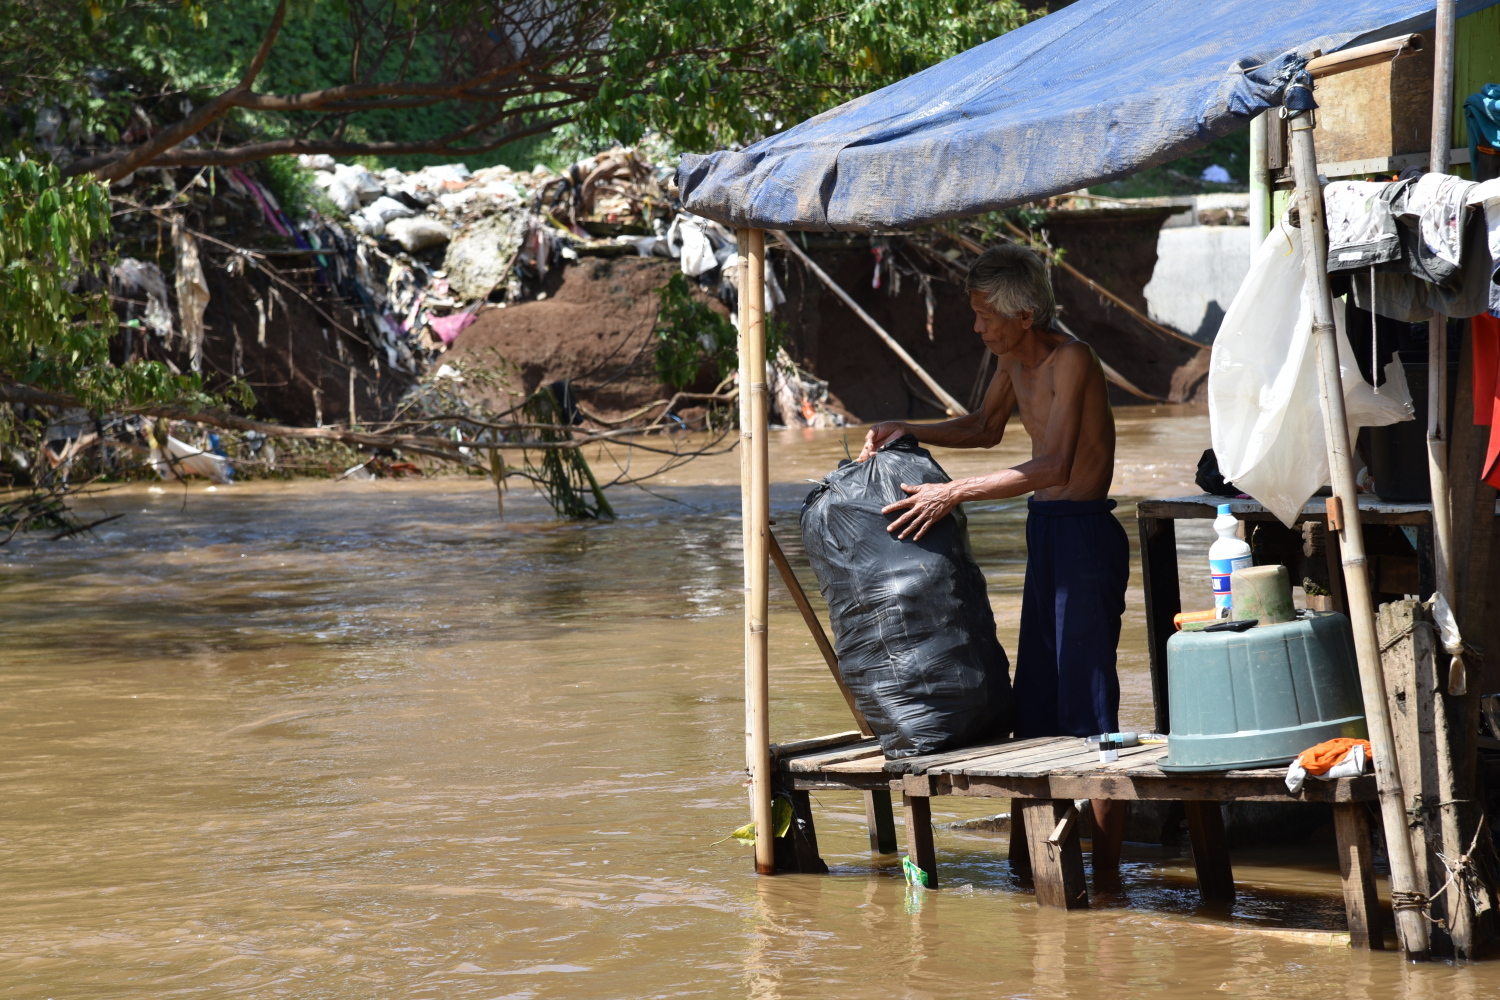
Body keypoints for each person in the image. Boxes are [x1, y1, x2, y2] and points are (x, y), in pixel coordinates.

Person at [856, 242, 1128, 880]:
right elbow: (983, 427)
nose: (977, 327)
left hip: (1085, 536)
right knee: (1033, 702)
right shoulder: (1010, 359)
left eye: (985, 315)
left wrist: (952, 492)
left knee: (1089, 713)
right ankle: (1029, 867)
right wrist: (907, 429)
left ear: (1023, 314)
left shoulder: (1073, 361)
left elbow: (1054, 465)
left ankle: (1110, 880)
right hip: (1045, 532)